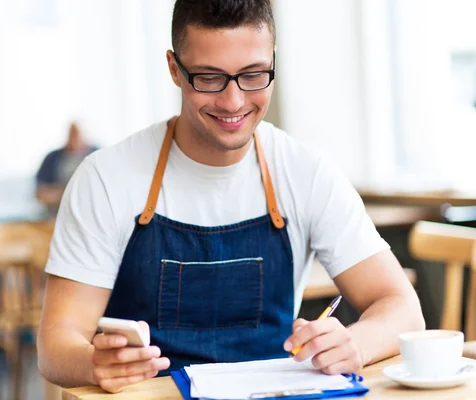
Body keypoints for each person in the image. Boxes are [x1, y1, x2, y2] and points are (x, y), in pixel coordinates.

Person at [37, 0, 425, 393]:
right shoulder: (106, 179)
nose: (234, 102)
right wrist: (93, 363)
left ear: (272, 60)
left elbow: (402, 307)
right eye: (209, 78)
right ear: (175, 69)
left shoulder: (306, 173)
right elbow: (56, 344)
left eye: (253, 75)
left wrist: (354, 343)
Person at [35, 122, 98, 211]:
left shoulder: (96, 155)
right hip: (57, 212)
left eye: (77, 135)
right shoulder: (52, 158)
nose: (75, 140)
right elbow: (40, 193)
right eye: (72, 135)